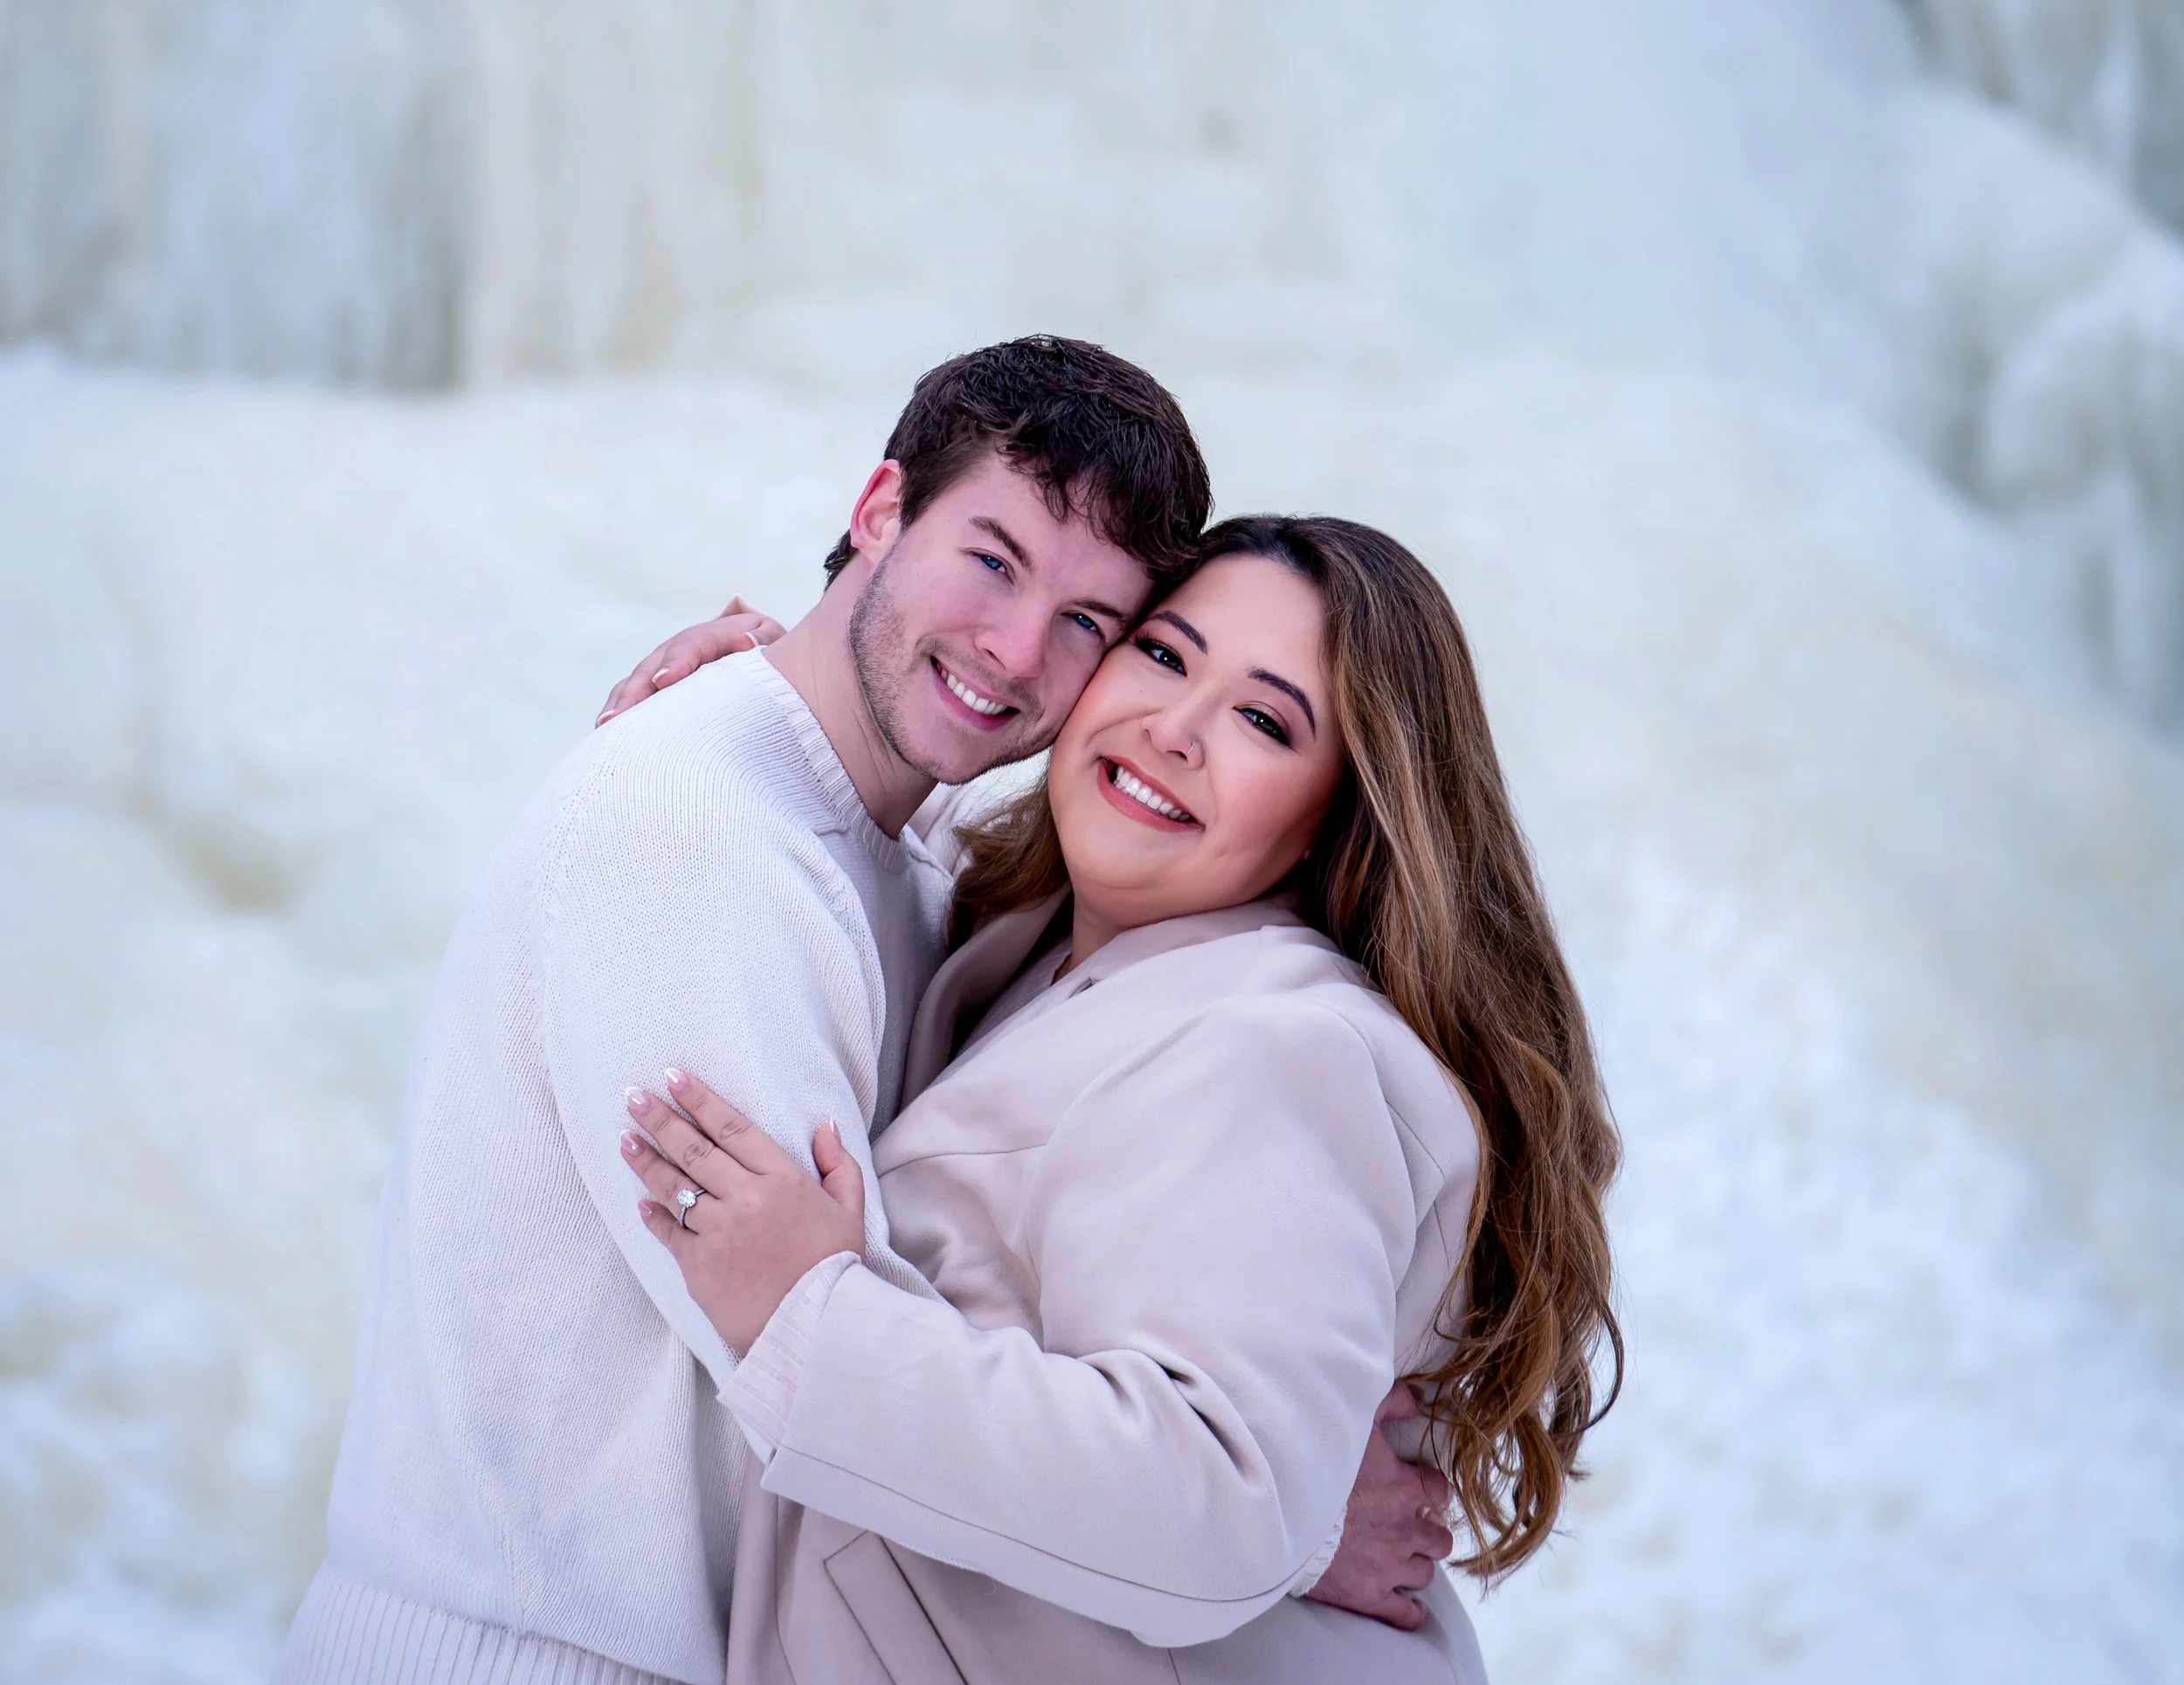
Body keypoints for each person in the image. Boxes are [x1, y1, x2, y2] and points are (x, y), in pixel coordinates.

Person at [278, 339, 1448, 1685]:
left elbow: (886, 1347)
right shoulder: (695, 841)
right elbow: (797, 1361)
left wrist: (1264, 1486)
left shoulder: (917, 868)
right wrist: (1283, 1529)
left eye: (1087, 623)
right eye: (990, 560)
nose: (1015, 647)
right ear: (879, 509)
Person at [610, 515, 1623, 1682]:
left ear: (1334, 816)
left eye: (1262, 721)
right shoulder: (1039, 941)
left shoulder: (1282, 1048)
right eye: (1161, 654)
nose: (1174, 729)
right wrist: (771, 704)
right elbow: (914, 821)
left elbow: (1217, 1506)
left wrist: (809, 1319)